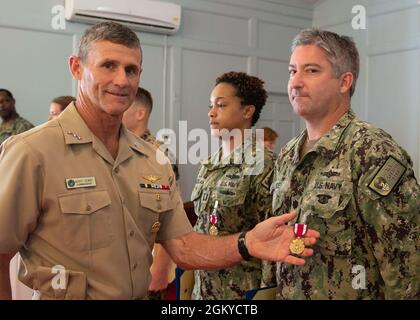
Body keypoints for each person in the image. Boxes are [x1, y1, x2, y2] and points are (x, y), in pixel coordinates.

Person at [0, 22, 319, 300]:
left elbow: (184, 246)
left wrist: (246, 243)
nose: (122, 80)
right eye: (108, 66)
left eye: (131, 70)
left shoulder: (152, 159)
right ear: (76, 67)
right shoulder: (32, 152)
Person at [272, 28, 420, 300]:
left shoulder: (372, 150)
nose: (295, 82)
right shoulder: (287, 155)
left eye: (311, 71)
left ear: (344, 82)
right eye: (293, 71)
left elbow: (406, 263)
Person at [190, 71, 277, 300]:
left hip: (241, 292)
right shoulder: (209, 164)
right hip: (204, 290)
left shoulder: (263, 165)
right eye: (211, 105)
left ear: (247, 111)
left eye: (221, 105)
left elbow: (272, 239)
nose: (211, 113)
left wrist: (266, 294)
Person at [122, 87, 179, 298]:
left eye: (125, 106)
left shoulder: (159, 153)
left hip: (149, 259)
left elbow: (168, 215)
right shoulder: (117, 147)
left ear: (140, 113)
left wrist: (160, 269)